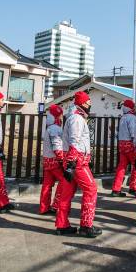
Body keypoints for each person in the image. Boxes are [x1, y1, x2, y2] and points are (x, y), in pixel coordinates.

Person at [55, 91, 101, 237]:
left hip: (74, 160)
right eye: (88, 102)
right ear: (82, 103)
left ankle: (62, 225)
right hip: (77, 161)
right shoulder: (77, 119)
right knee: (91, 190)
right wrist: (71, 163)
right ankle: (86, 226)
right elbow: (75, 141)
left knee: (66, 194)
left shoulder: (75, 117)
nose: (90, 104)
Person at [111, 99, 136, 197]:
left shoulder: (123, 117)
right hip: (130, 144)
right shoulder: (132, 117)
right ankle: (133, 188)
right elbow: (133, 132)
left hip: (122, 144)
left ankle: (116, 189)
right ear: (131, 107)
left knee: (121, 167)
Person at [39, 104, 65, 214]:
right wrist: (62, 158)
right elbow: (57, 145)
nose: (62, 117)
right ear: (57, 116)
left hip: (47, 160)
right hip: (55, 161)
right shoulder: (56, 129)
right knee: (64, 181)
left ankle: (43, 208)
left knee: (47, 185)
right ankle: (56, 205)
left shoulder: (49, 128)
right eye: (60, 115)